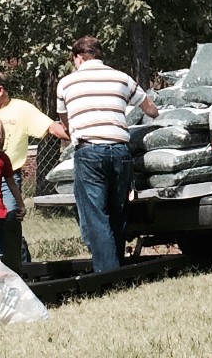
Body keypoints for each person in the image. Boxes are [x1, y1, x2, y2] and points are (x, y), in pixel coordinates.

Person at [56, 35, 159, 273]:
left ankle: (107, 273)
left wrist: (73, 130)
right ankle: (118, 265)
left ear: (78, 58)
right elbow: (150, 108)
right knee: (117, 211)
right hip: (121, 150)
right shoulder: (121, 77)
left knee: (95, 214)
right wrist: (159, 117)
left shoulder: (66, 83)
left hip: (89, 150)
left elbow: (65, 120)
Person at [0, 71, 70, 266]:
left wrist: (77, 134)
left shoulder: (22, 109)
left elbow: (50, 127)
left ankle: (18, 269)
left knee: (11, 218)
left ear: (0, 90)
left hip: (7, 177)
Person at [0, 118, 27, 272]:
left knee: (1, 251)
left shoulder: (3, 159)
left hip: (0, 214)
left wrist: (21, 205)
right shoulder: (3, 159)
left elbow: (11, 183)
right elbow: (11, 184)